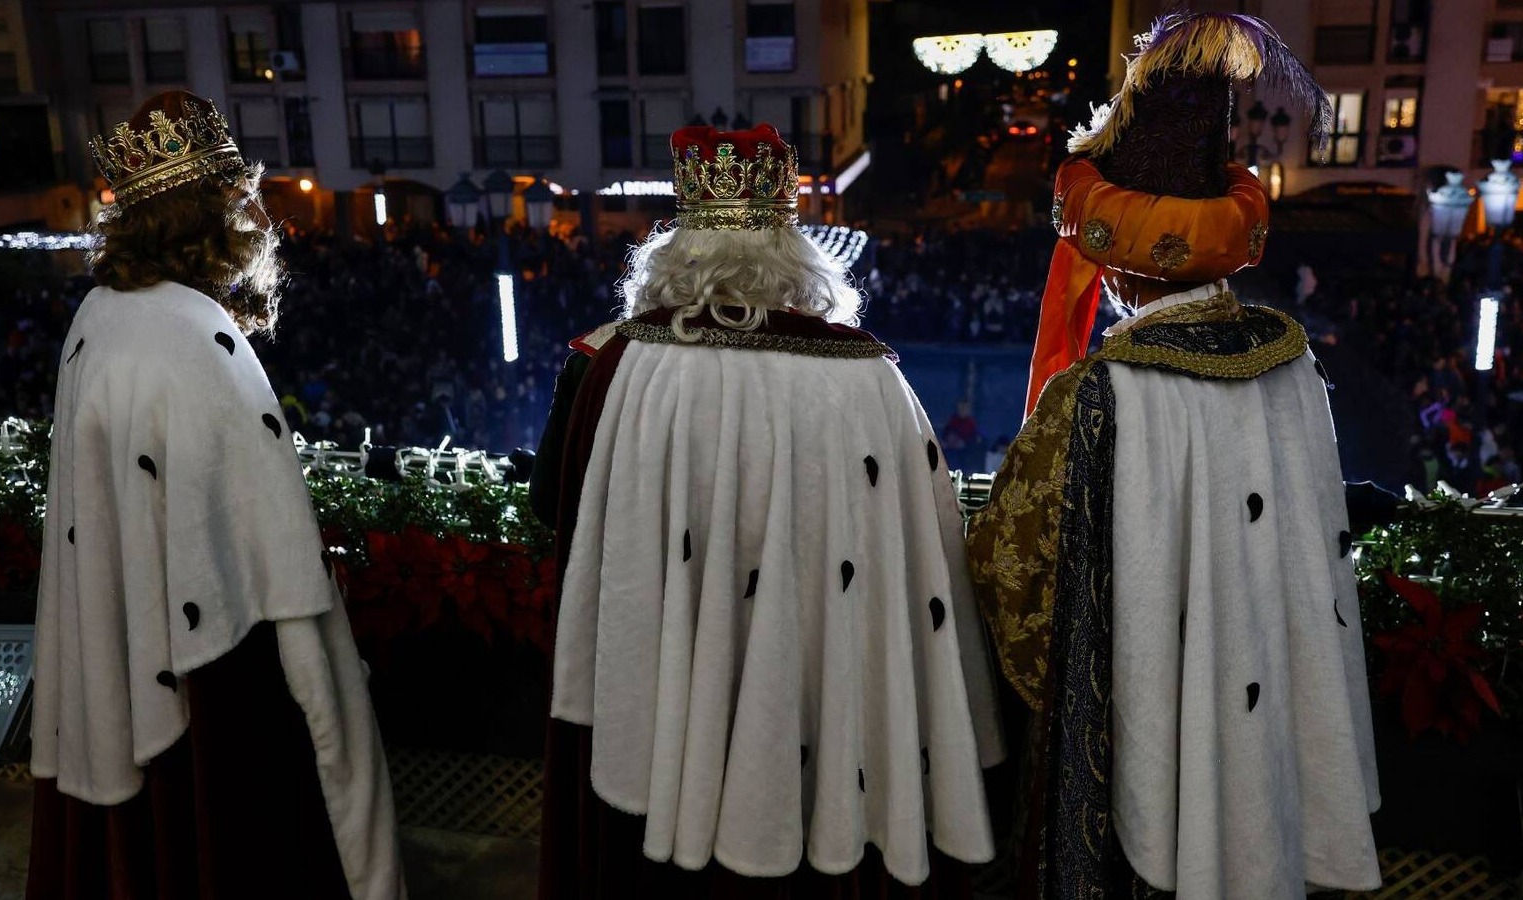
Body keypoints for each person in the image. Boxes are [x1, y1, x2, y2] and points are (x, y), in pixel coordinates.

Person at [533, 123, 1006, 898]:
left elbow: (553, 512)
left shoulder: (607, 366)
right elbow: (918, 555)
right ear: (793, 250)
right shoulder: (871, 378)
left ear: (676, 246)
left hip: (662, 685)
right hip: (824, 691)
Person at [966, 14, 1380, 898]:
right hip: (1269, 720)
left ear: (1114, 266)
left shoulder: (1097, 395)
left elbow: (1015, 575)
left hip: (1148, 728)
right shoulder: (1293, 359)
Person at [26, 91, 404, 900]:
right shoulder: (193, 341)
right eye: (242, 201)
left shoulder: (104, 311)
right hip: (211, 676)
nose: (257, 219)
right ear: (208, 215)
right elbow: (256, 561)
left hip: (139, 642)